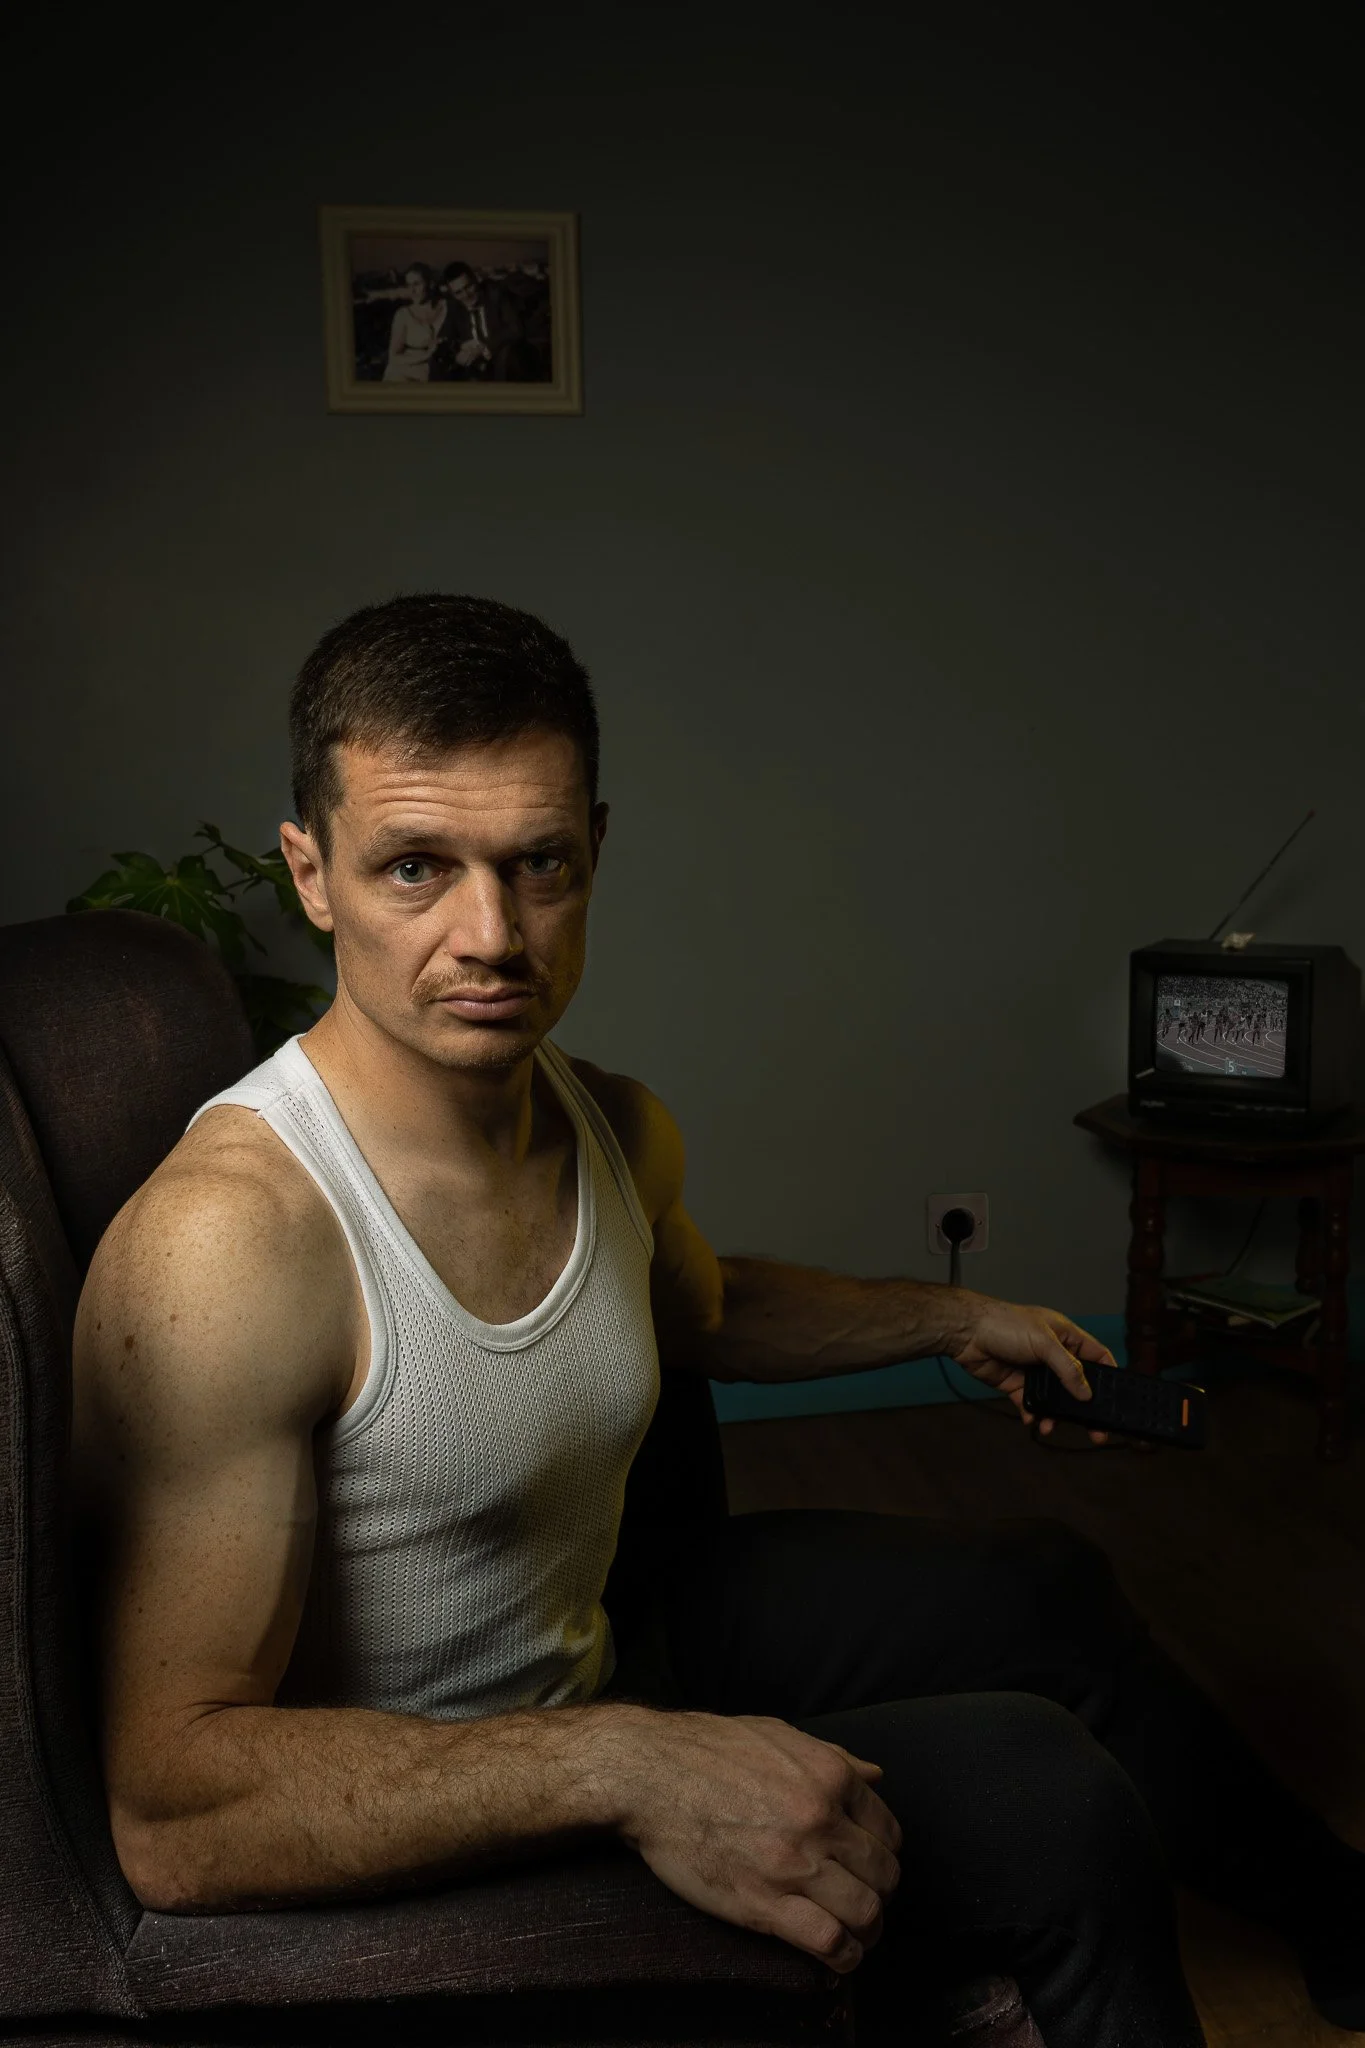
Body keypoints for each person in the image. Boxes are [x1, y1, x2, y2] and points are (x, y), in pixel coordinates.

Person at [73, 595, 1364, 2046]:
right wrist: (623, 1765)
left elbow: (697, 1302)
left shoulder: (605, 1119)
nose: (490, 936)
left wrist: (958, 1314)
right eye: (416, 869)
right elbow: (173, 1810)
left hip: (601, 1643)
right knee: (1050, 1797)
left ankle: (1350, 1930)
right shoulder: (234, 1244)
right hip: (442, 1799)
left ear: (595, 853)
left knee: (1046, 1585)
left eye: (537, 865)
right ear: (311, 874)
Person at [431, 260, 542, 381]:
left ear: (476, 279)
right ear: (452, 294)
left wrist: (484, 348)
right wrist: (458, 352)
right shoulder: (455, 306)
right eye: (458, 292)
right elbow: (444, 336)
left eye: (468, 286)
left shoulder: (496, 294)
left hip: (501, 357)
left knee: (507, 355)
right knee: (437, 363)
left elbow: (515, 329)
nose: (466, 295)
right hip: (474, 365)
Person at [381, 263, 446, 383]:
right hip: (404, 373)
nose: (412, 290)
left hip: (437, 373)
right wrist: (427, 354)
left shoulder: (446, 307)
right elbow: (393, 358)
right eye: (409, 285)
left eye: (417, 284)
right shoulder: (403, 315)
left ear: (430, 284)